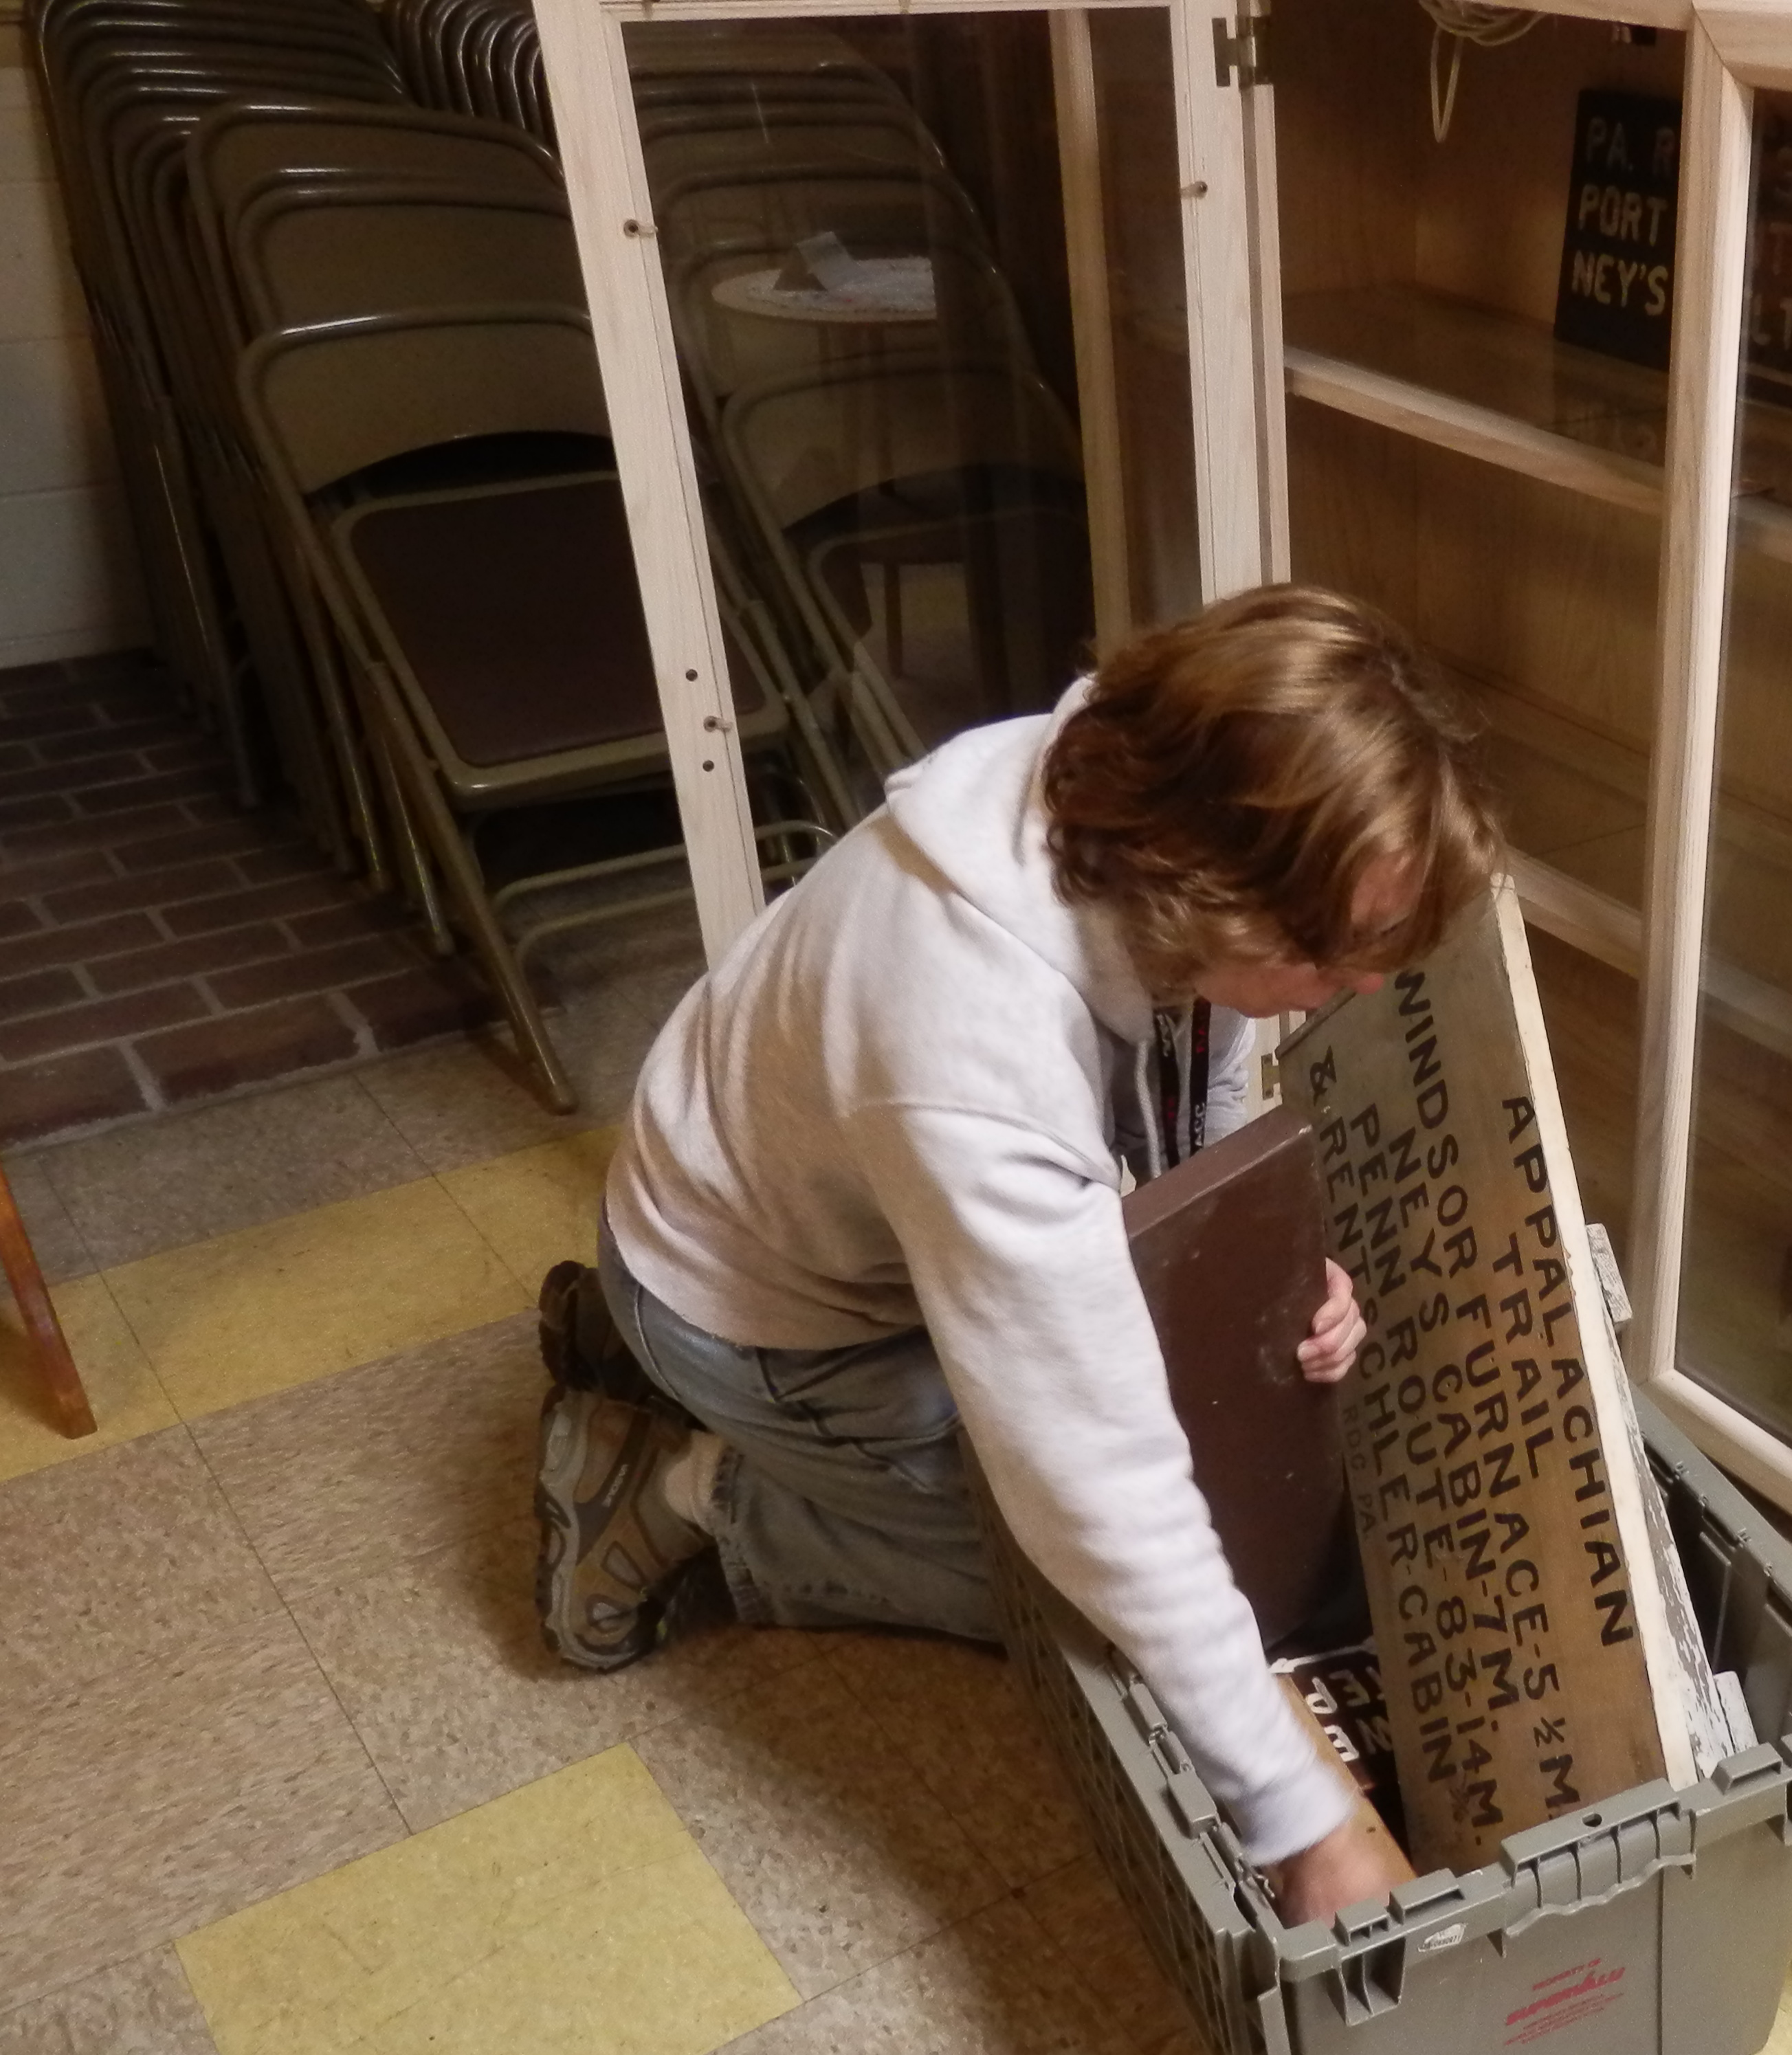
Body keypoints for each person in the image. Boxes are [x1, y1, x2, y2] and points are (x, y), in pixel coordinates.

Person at [529, 584, 1495, 1924]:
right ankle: (695, 1488)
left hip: (806, 1194)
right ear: (1216, 898)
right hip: (771, 1307)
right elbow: (1091, 1486)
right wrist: (1307, 1822)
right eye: (1335, 961)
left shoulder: (1124, 797)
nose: (1365, 990)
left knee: (1202, 1532)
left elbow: (1186, 1093)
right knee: (1089, 1620)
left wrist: (1267, 1276)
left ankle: (639, 1356)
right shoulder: (972, 1039)